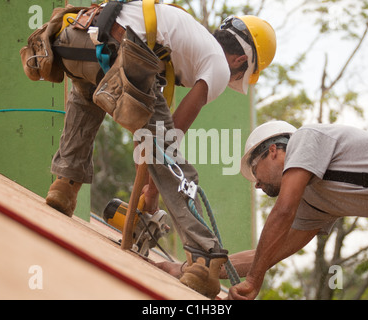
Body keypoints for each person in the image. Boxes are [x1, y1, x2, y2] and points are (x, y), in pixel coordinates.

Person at [33, 1, 276, 299]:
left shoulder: (184, 37)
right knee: (168, 153)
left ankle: (65, 183)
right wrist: (153, 188)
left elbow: (146, 123)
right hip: (123, 49)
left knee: (85, 96)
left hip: (76, 39)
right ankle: (203, 258)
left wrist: (149, 191)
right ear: (239, 60)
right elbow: (168, 137)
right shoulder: (216, 65)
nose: (235, 79)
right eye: (242, 73)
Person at [157, 120, 368, 299]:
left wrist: (254, 281)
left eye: (255, 170)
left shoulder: (306, 137)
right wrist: (189, 269)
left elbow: (283, 210)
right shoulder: (315, 201)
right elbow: (265, 255)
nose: (256, 184)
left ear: (274, 151)